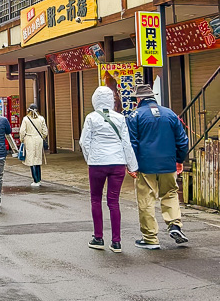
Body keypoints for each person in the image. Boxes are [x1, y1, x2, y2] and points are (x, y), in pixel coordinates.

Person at [126, 84, 190, 249]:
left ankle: (150, 238)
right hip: (168, 163)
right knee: (170, 194)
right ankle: (174, 224)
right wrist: (179, 159)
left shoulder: (135, 116)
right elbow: (183, 140)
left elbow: (131, 143)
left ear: (138, 99)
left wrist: (131, 165)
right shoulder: (170, 113)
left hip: (145, 165)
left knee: (146, 199)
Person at [80, 87, 139, 253]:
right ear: (111, 100)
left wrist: (90, 159)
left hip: (97, 163)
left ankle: (98, 238)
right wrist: (132, 166)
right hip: (117, 163)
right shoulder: (120, 118)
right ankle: (116, 242)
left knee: (96, 199)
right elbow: (126, 143)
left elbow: (85, 142)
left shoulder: (91, 118)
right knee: (114, 202)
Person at [19, 104, 49, 186]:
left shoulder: (26, 119)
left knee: (31, 159)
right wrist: (42, 137)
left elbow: (22, 131)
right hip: (39, 139)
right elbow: (45, 131)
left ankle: (35, 180)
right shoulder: (41, 118)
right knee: (38, 159)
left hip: (29, 139)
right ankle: (39, 179)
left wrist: (22, 139)